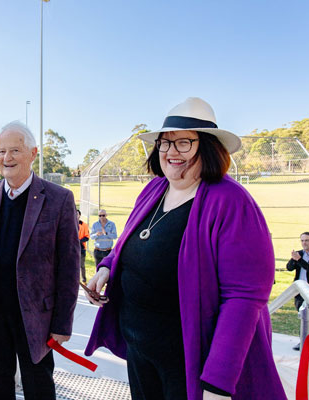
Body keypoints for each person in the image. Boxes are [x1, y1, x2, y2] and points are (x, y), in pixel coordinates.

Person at [84, 97, 286, 400]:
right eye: (164, 143)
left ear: (207, 146)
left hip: (190, 360)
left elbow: (244, 297)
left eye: (183, 143)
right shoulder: (154, 189)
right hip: (141, 349)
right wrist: (106, 267)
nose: (170, 153)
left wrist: (218, 381)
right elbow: (129, 243)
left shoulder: (231, 201)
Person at [0, 121, 79, 400]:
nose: (6, 158)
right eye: (1, 151)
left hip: (36, 318)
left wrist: (63, 323)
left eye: (15, 150)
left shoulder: (59, 198)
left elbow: (70, 266)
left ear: (33, 153)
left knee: (39, 389)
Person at [77, 209, 90, 283]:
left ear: (79, 215)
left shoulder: (84, 225)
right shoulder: (69, 223)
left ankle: (84, 280)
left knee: (82, 265)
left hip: (81, 248)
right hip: (71, 248)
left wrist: (78, 241)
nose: (76, 215)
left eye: (77, 214)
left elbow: (87, 237)